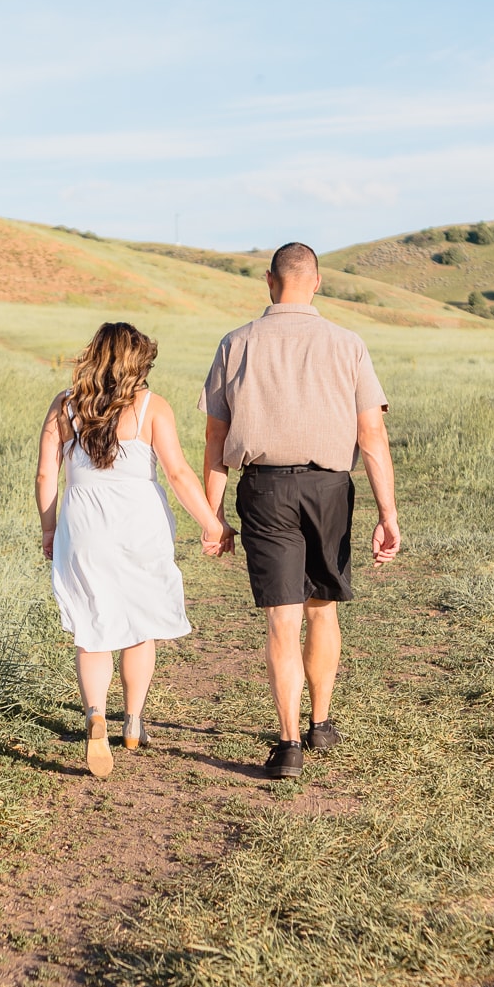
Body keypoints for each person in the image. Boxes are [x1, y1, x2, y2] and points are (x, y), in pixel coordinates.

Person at [199, 242, 400, 779]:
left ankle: (287, 744)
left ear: (269, 281)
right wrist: (388, 514)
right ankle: (322, 723)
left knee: (282, 620)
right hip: (329, 487)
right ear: (317, 281)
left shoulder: (235, 343)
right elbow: (371, 434)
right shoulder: (347, 343)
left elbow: (215, 437)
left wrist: (213, 516)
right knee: (322, 609)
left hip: (262, 490)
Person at [36, 321, 233, 778]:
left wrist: (49, 531)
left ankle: (95, 717)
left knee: (91, 626)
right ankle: (134, 722)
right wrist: (212, 524)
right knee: (141, 624)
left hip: (83, 527)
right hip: (139, 526)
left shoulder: (64, 406)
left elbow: (47, 477)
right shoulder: (152, 407)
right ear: (136, 364)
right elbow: (180, 474)